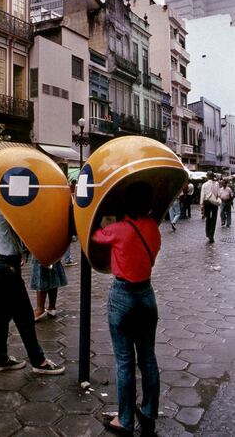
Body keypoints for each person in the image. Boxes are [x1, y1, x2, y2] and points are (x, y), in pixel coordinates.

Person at [91, 181, 161, 437]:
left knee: (124, 362)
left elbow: (96, 235)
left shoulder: (118, 229)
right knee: (148, 359)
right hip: (147, 295)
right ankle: (150, 413)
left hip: (123, 296)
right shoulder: (153, 227)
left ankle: (125, 421)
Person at [0, 201, 65, 375]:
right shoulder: (4, 205)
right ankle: (39, 361)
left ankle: (1, 359)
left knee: (1, 316)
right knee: (24, 316)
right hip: (7, 266)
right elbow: (26, 228)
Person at [30, 256, 67, 321]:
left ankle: (40, 309)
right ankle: (51, 307)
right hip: (54, 253)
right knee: (53, 275)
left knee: (41, 275)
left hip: (41, 252)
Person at [200, 171, 220, 243]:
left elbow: (202, 195)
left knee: (208, 218)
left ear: (207, 176)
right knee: (214, 219)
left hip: (207, 203)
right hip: (214, 202)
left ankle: (208, 233)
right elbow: (218, 194)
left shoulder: (204, 184)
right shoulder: (217, 184)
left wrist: (201, 205)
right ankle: (212, 235)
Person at [64, 180, 77, 266]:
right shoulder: (68, 196)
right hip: (65, 224)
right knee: (66, 241)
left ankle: (66, 258)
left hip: (63, 223)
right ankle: (67, 259)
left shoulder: (65, 195)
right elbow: (71, 211)